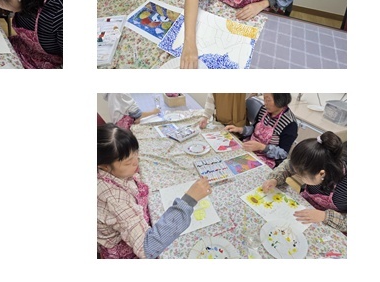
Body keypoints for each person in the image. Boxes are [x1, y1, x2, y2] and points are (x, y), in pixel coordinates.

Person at [97, 124, 211, 259]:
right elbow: (148, 248)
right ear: (104, 166)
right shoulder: (116, 198)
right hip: (126, 250)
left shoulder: (113, 173)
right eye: (128, 162)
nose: (136, 162)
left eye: (136, 153)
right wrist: (189, 200)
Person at [262, 131, 347, 232]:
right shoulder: (316, 161)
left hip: (330, 225)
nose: (298, 176)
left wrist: (325, 216)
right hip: (304, 207)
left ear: (321, 174)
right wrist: (275, 179)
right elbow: (288, 166)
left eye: (301, 176)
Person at [225, 93, 297, 168]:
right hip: (250, 148)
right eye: (264, 99)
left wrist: (262, 147)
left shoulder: (290, 124)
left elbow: (283, 154)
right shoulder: (264, 109)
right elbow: (254, 128)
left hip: (266, 159)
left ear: (280, 100)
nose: (265, 104)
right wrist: (240, 129)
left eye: (268, 100)